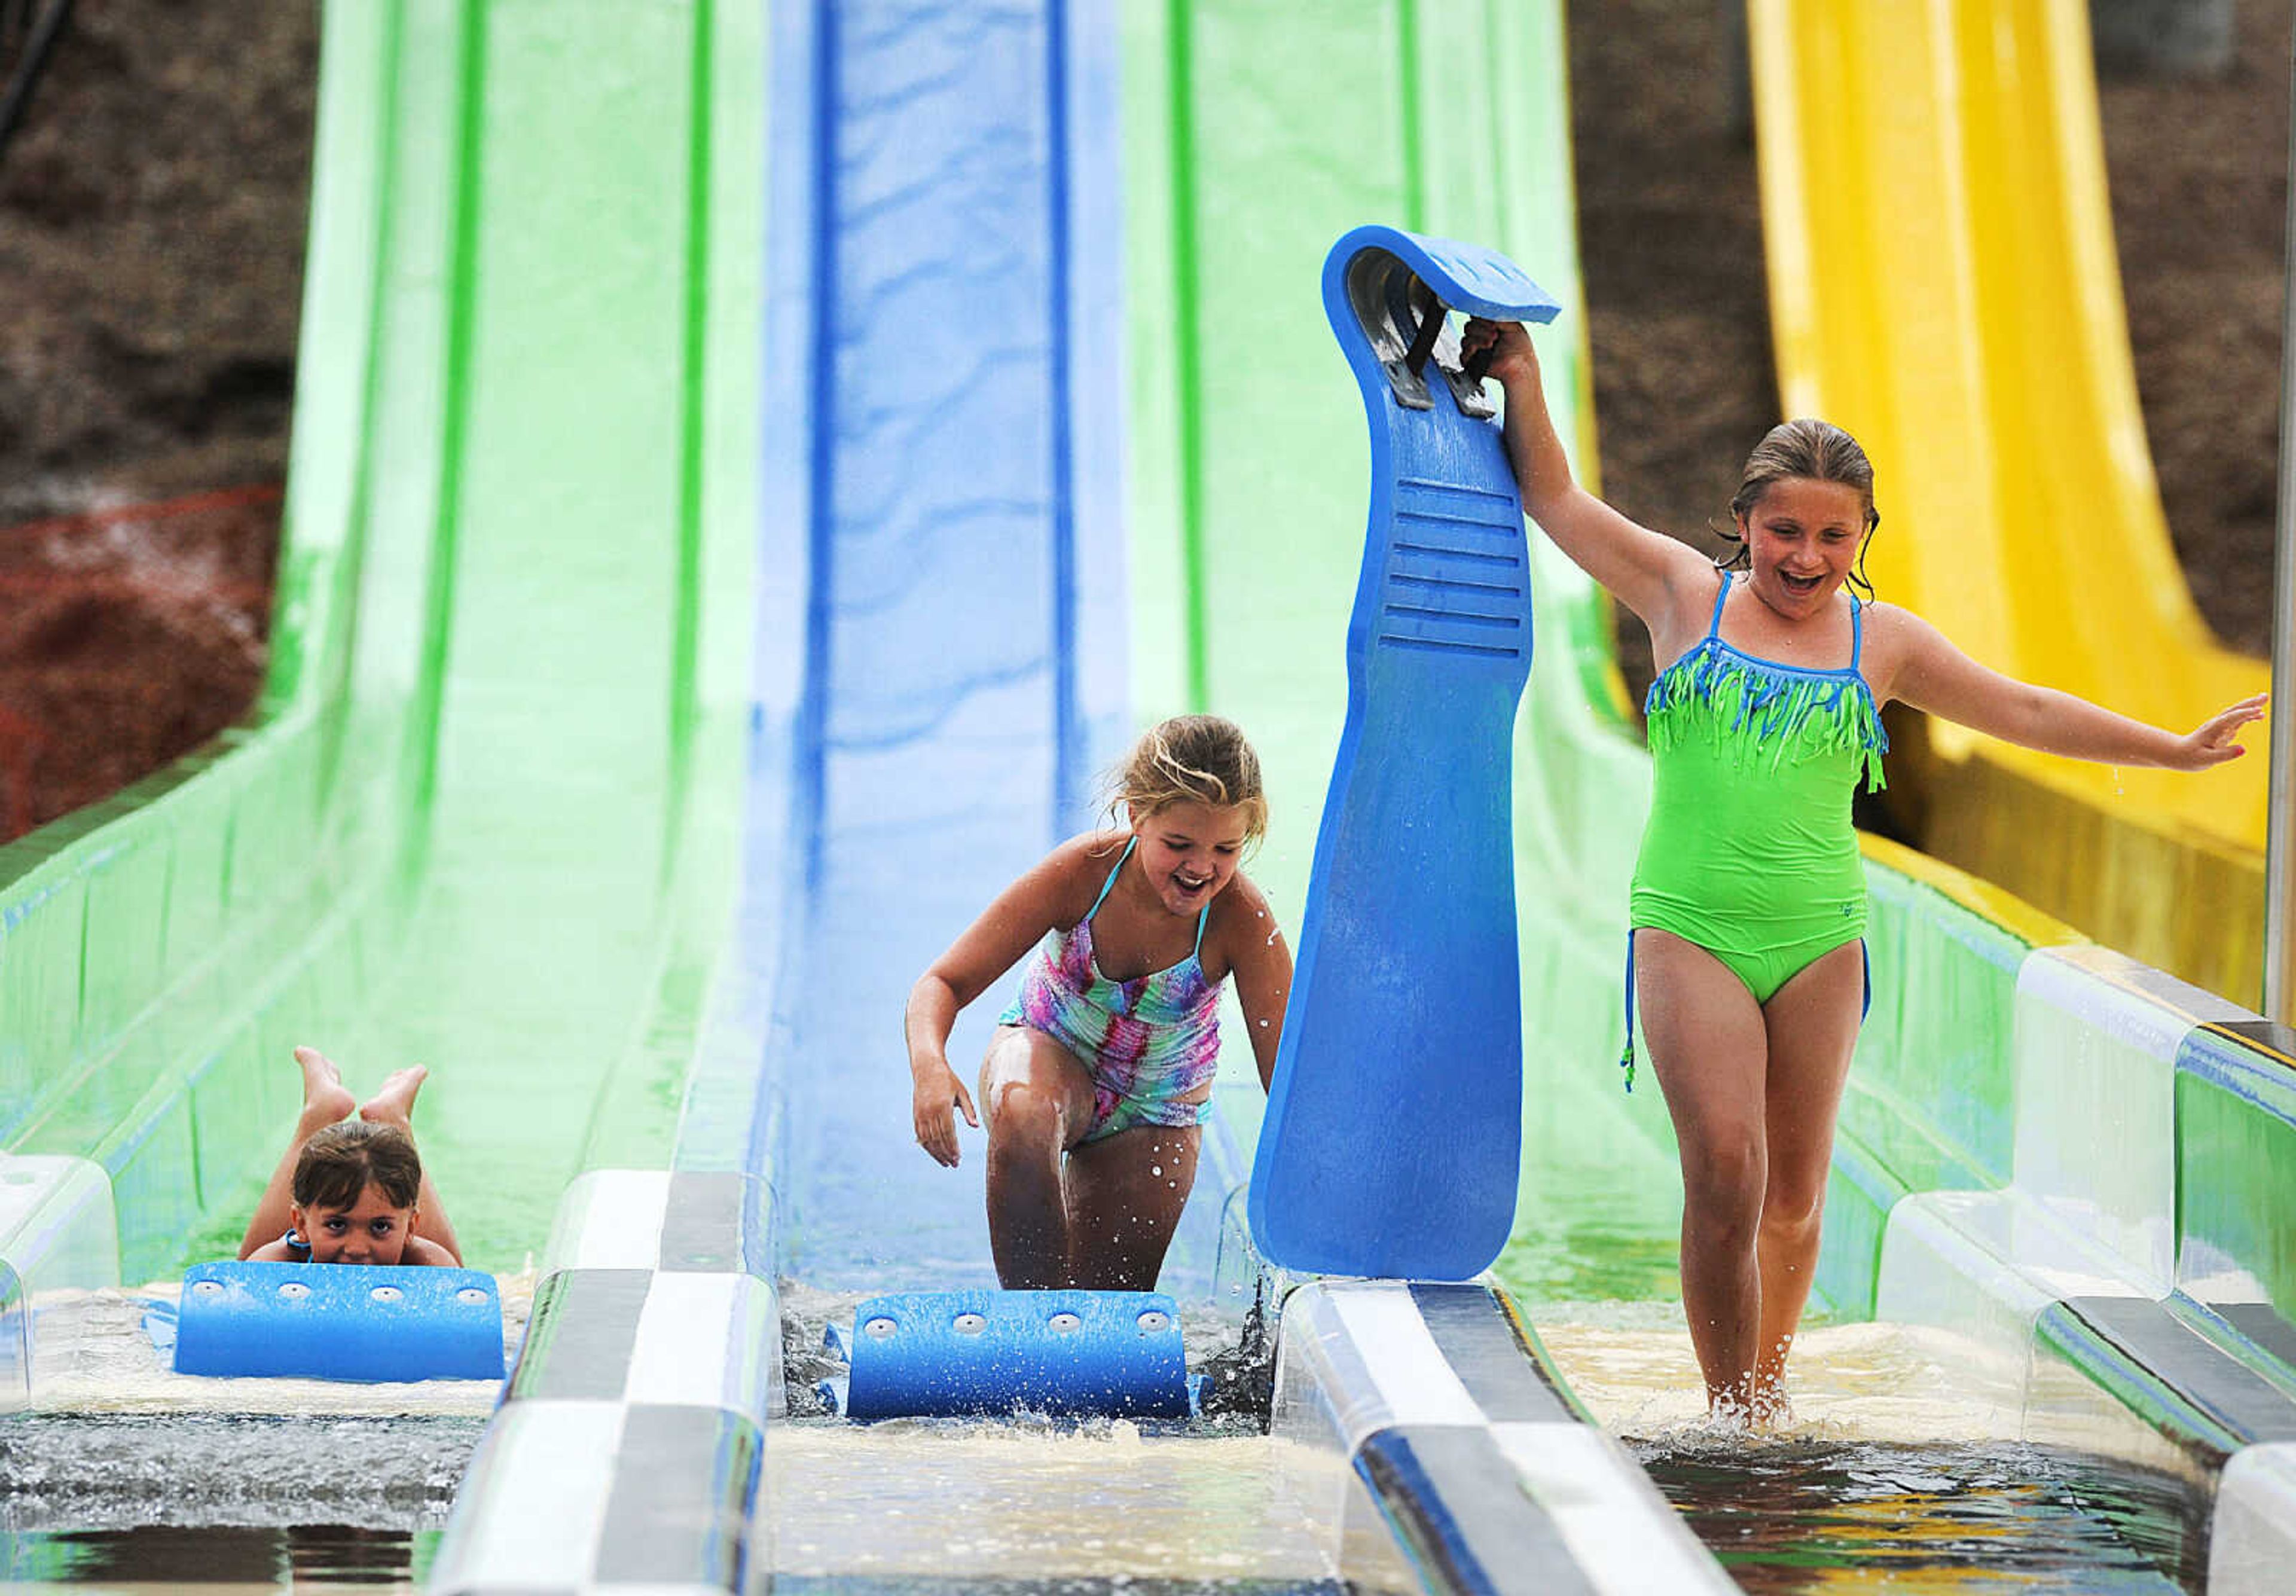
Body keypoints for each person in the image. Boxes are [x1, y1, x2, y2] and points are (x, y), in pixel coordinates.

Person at [1461, 316, 2266, 1424]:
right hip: (1688, 927)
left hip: (1820, 937)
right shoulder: (1682, 594)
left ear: (1863, 535)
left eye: (1832, 536)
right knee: (1729, 1170)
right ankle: (1732, 1407)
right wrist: (1521, 378)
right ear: (1742, 524)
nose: (1804, 555)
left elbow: (2022, 707)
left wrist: (2171, 748)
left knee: (1794, 1194)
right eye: (1782, 529)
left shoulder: (1880, 645)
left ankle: (1770, 1384)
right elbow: (1555, 501)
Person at [905, 715, 1293, 1292]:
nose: (1201, 867)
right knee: (1023, 1108)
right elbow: (942, 982)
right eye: (1179, 844)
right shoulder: (1084, 874)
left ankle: (1067, 1352)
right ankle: (1030, 1332)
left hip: (1156, 1109)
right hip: (1050, 1057)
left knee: (1104, 1313)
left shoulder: (1239, 918)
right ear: (1136, 814)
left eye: (1226, 848)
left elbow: (1287, 1076)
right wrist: (930, 1067)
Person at [238, 1045, 463, 1267]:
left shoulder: (430, 1265)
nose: (357, 1250)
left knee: (464, 1286)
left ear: (411, 1228)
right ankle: (327, 1114)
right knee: (243, 1274)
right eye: (337, 1225)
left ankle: (390, 1120)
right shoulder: (273, 1262)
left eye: (381, 1227)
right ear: (301, 1224)